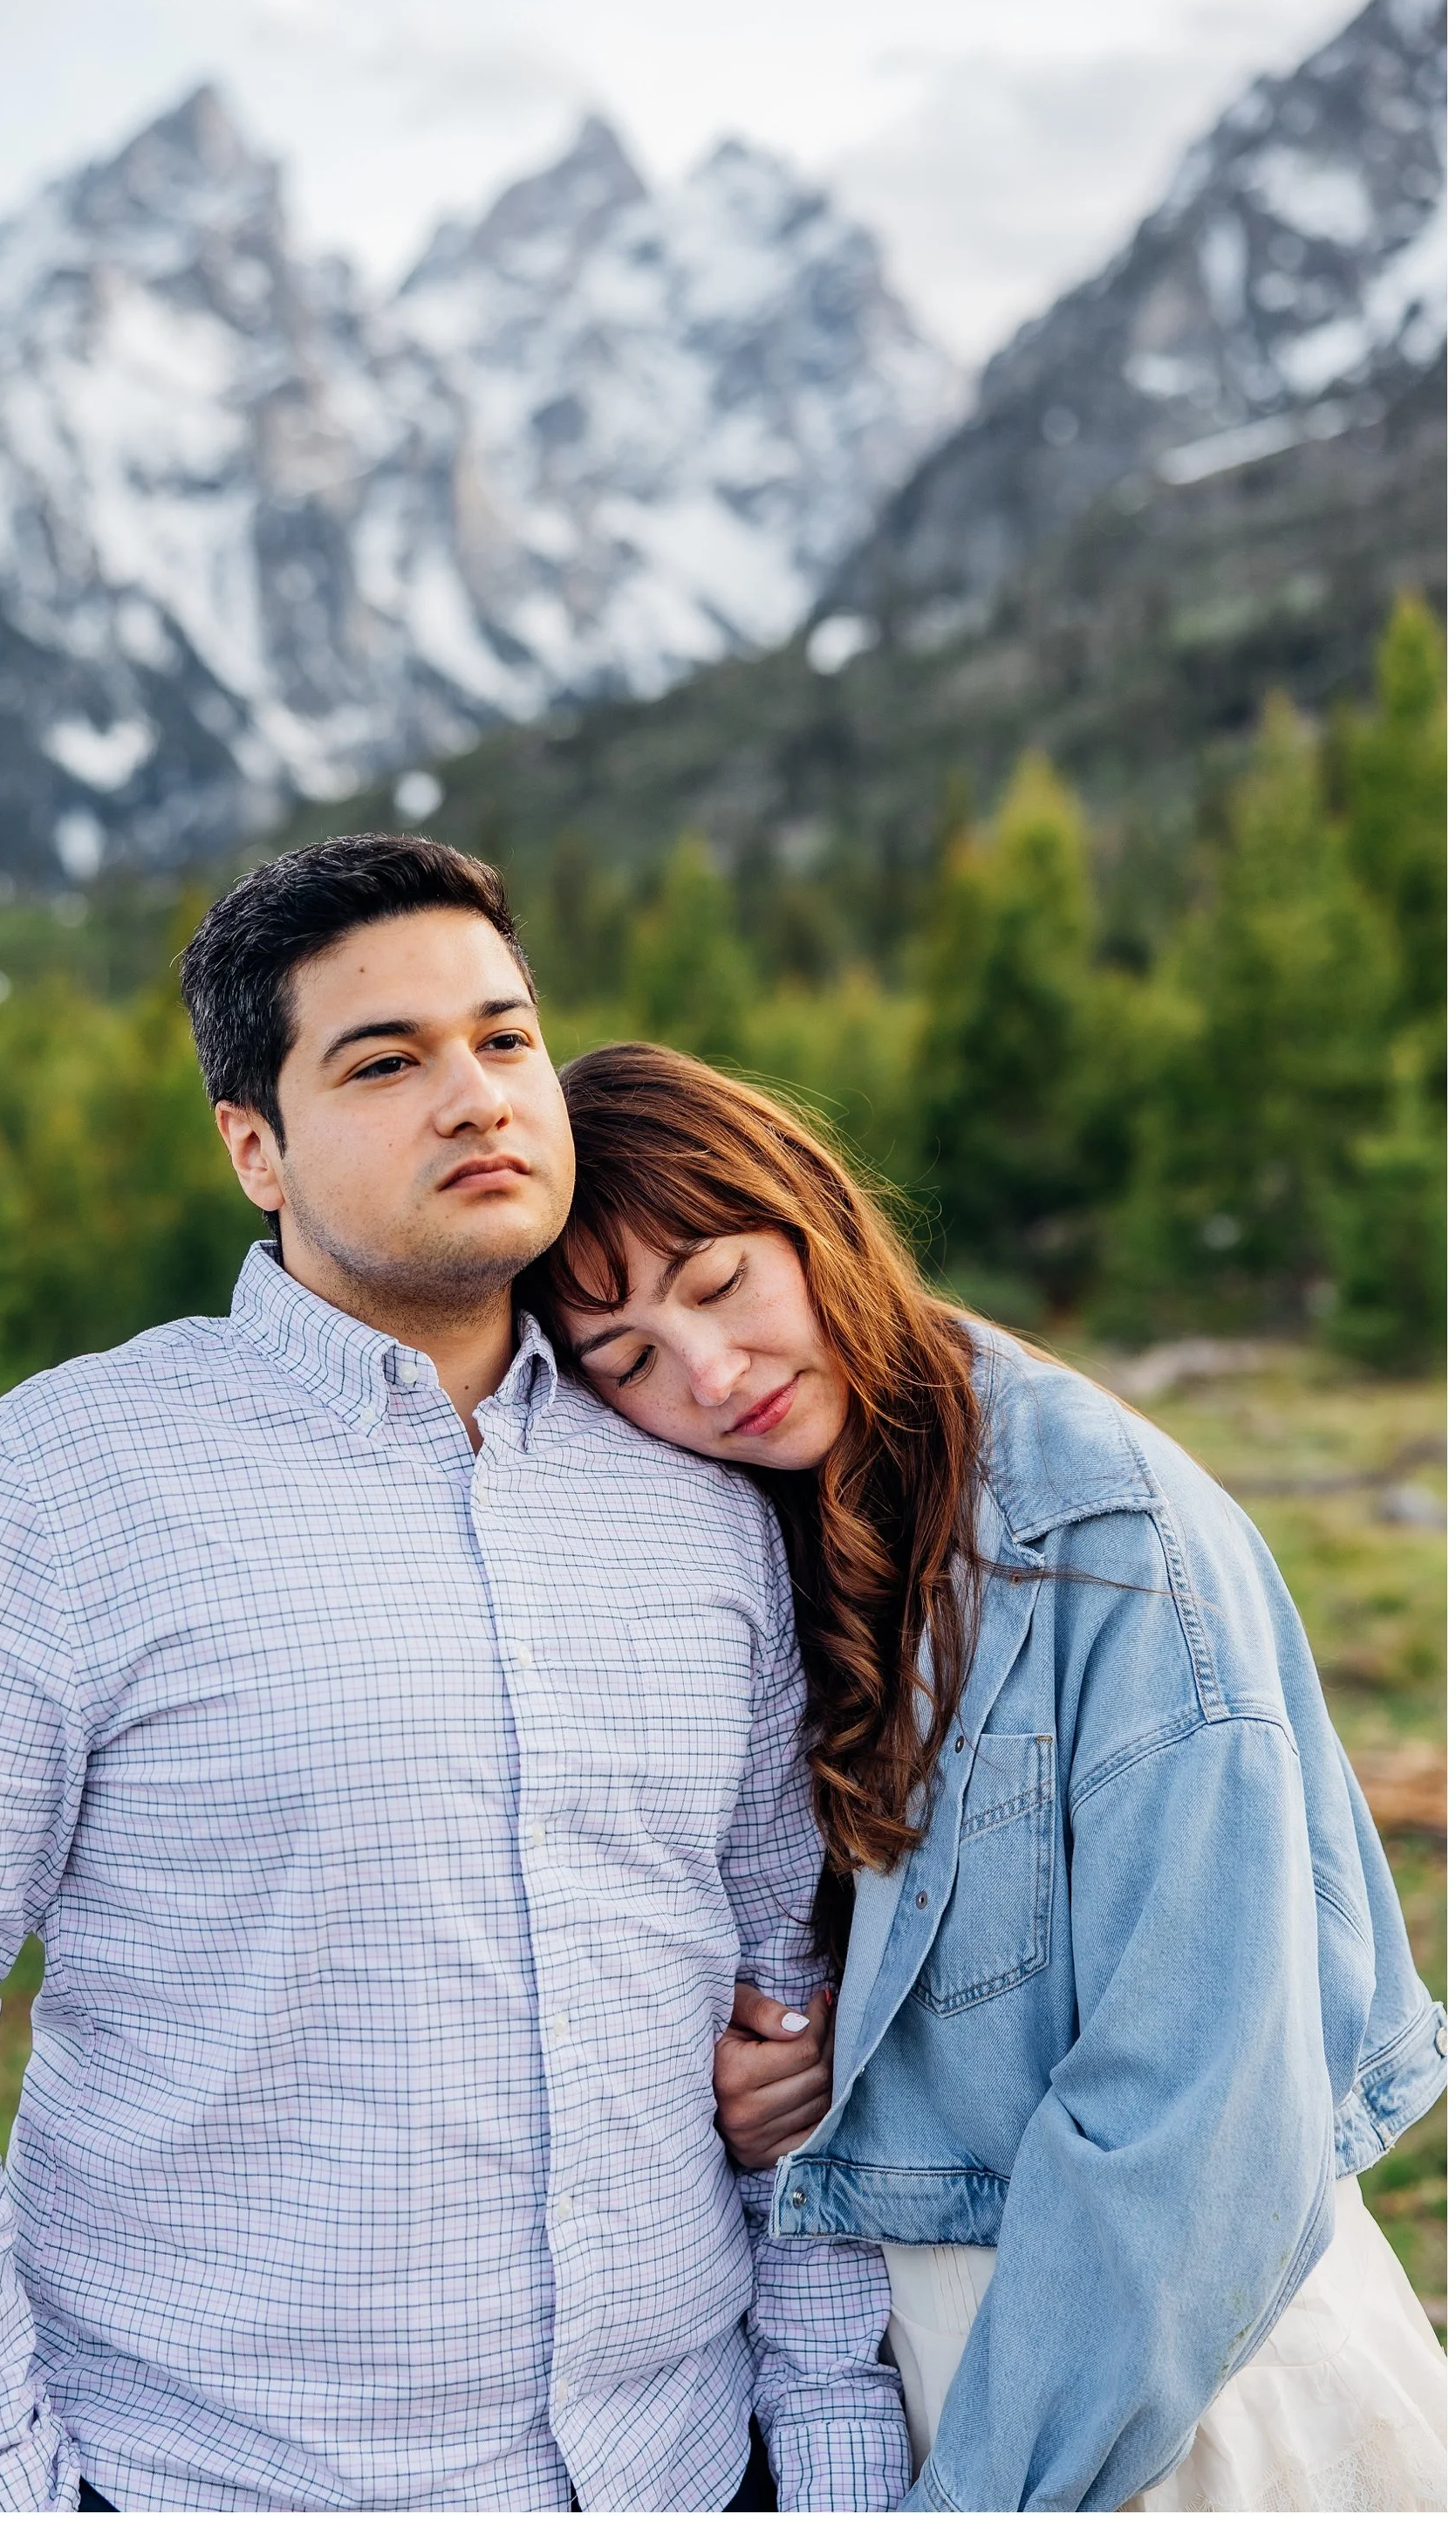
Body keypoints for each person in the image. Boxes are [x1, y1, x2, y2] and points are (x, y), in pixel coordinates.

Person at [0, 840, 910, 2516]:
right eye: (384, 1062)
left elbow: (783, 2006)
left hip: (687, 2467)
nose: (475, 1098)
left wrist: (835, 2465)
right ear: (256, 1149)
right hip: (225, 2480)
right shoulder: (57, 1488)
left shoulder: (701, 1499)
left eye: (505, 1039)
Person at [528, 1039, 1448, 2516]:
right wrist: (812, 2063)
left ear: (811, 1214)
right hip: (939, 2377)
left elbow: (1192, 2113)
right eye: (624, 1358)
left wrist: (989, 2492)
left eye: (717, 1284)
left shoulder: (1104, 1533)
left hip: (1167, 2400)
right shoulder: (770, 1541)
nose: (707, 1372)